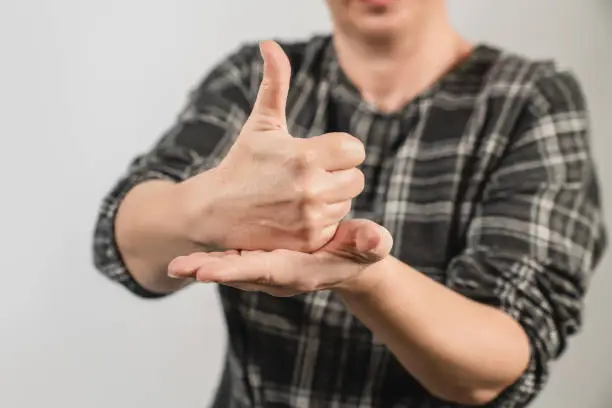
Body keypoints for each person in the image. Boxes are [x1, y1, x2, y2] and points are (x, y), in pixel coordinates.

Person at [92, 0, 607, 406]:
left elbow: (497, 366)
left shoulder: (531, 101)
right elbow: (122, 246)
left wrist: (363, 276)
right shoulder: (252, 83)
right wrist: (206, 209)